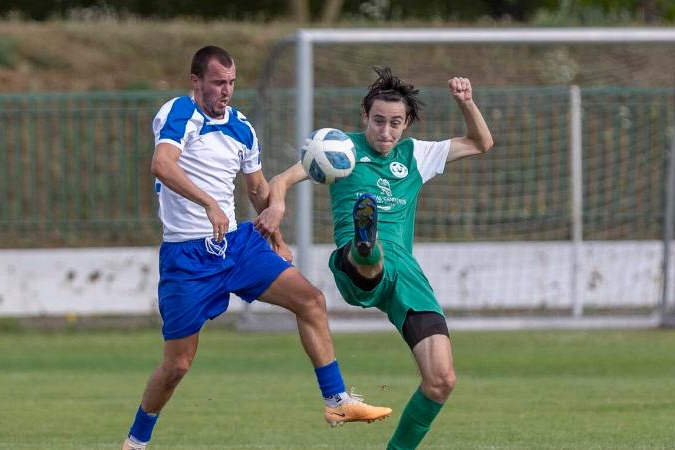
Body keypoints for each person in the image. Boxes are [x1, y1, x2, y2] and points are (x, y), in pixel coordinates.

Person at [121, 46, 392, 450]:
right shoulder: (179, 113)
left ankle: (337, 401)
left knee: (311, 301)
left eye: (231, 82)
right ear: (196, 82)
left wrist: (277, 236)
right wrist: (209, 203)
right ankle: (136, 442)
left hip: (238, 246)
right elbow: (162, 164)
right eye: (217, 83)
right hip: (187, 257)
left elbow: (257, 189)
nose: (226, 91)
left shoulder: (242, 127)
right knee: (177, 365)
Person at [255, 67, 493, 450]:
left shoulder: (417, 154)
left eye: (395, 123)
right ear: (365, 116)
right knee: (368, 254)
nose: (385, 131)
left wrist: (466, 102)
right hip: (354, 261)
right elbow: (281, 180)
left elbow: (481, 142)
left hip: (407, 274)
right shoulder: (338, 148)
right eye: (378, 121)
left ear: (407, 123)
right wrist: (277, 206)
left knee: (442, 380)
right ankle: (368, 240)